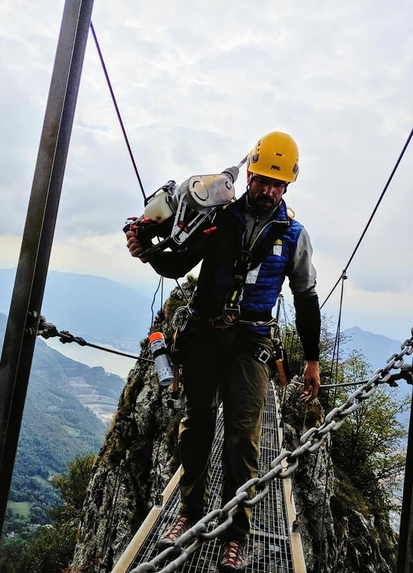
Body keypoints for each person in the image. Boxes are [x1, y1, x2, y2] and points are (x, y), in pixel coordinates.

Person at [126, 131, 320, 573]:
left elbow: (306, 297)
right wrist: (148, 251)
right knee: (196, 428)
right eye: (262, 180)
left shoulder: (293, 235)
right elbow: (178, 263)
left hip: (252, 342)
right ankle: (189, 515)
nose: (268, 190)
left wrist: (311, 360)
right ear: (249, 174)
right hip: (205, 335)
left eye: (277, 183)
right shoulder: (218, 216)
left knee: (242, 437)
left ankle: (235, 533)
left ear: (287, 186)